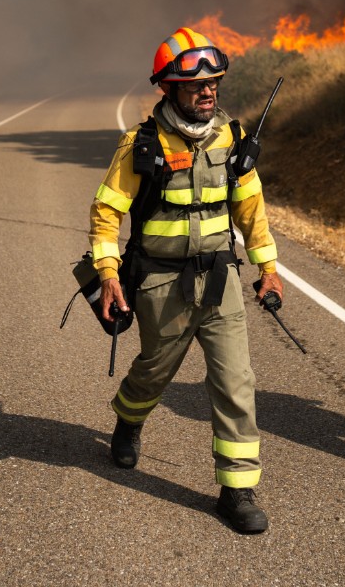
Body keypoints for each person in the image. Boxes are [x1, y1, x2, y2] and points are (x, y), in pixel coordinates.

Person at [89, 26, 284, 533]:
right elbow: (106, 213)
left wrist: (268, 268)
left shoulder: (232, 138)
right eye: (196, 84)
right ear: (168, 88)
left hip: (220, 280)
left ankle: (237, 489)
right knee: (153, 372)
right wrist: (108, 275)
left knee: (236, 381)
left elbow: (251, 209)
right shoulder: (142, 144)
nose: (208, 91)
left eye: (214, 82)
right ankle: (129, 420)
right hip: (160, 284)